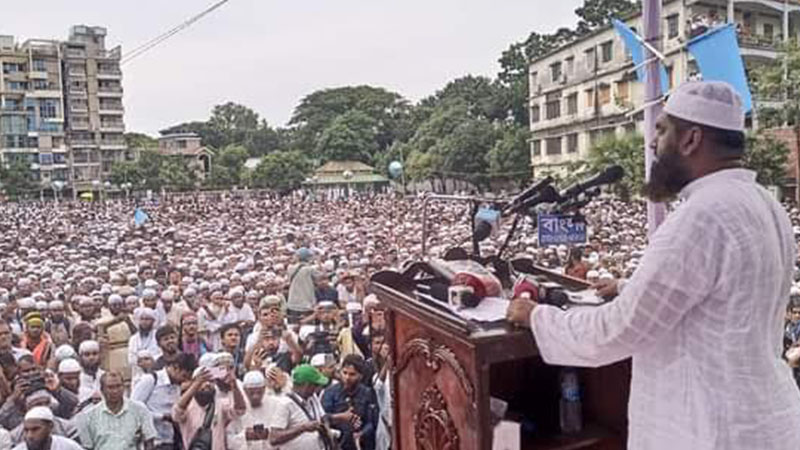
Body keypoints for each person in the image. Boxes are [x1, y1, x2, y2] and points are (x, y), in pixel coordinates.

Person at [506, 81, 800, 449]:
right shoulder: (763, 202)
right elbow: (723, 296)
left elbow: (617, 330)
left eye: (661, 130)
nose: (651, 143)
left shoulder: (702, 216)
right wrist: (629, 287)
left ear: (691, 139)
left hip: (709, 429)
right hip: (763, 421)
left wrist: (536, 317)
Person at [131, 352, 196, 450]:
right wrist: (162, 417)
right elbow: (134, 409)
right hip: (150, 441)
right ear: (176, 368)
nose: (184, 381)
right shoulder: (150, 380)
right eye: (183, 376)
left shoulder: (176, 386)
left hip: (169, 439)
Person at [77, 371, 157, 450]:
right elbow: (87, 447)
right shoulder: (89, 416)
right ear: (102, 390)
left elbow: (149, 441)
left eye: (118, 386)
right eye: (110, 387)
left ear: (124, 387)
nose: (115, 391)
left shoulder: (139, 410)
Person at [173, 366, 246, 450]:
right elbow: (177, 411)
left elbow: (240, 410)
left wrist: (234, 386)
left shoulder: (220, 404)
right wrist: (196, 384)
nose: (207, 384)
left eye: (210, 381)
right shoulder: (187, 406)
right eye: (203, 381)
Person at [321, 354, 377, 450]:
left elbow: (372, 422)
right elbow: (322, 419)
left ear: (360, 376)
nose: (347, 377)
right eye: (345, 373)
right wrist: (341, 417)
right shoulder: (330, 392)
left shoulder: (367, 393)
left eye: (352, 374)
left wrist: (361, 433)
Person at [269, 365, 331, 450]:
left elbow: (323, 416)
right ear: (307, 385)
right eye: (315, 385)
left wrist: (326, 428)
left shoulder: (312, 398)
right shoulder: (285, 404)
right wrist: (303, 428)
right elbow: (274, 438)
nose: (317, 388)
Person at [12, 407, 80, 450]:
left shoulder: (68, 446)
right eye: (26, 430)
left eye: (35, 429)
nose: (30, 436)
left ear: (50, 427)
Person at [286, 249, 318, 322]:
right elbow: (321, 277)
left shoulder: (290, 268)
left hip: (292, 303)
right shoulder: (311, 269)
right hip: (307, 304)